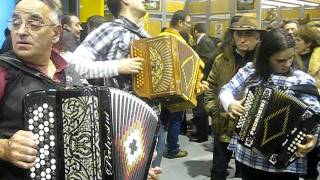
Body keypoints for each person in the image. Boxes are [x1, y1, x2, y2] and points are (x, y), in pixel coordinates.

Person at [219, 28, 320, 179]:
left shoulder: (302, 80)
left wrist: (315, 137)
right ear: (266, 57)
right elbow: (226, 90)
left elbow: (315, 116)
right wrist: (230, 104)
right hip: (249, 157)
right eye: (280, 60)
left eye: (291, 57)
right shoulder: (251, 72)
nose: (287, 64)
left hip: (284, 163)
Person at [0, 0, 68, 179]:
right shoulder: (3, 72)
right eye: (15, 23)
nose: (21, 31)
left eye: (34, 24)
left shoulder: (71, 75)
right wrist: (4, 148)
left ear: (56, 33)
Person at [205, 15, 263, 180]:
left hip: (251, 127)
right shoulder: (221, 59)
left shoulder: (263, 62)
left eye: (248, 35)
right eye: (239, 34)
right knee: (218, 169)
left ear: (258, 38)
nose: (243, 39)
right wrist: (212, 109)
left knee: (246, 171)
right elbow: (211, 86)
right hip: (223, 123)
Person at [160, 10, 192, 159]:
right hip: (176, 87)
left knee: (162, 119)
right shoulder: (178, 40)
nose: (190, 26)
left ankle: (157, 148)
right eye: (188, 23)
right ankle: (173, 149)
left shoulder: (162, 36)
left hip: (161, 85)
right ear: (180, 22)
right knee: (176, 118)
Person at [293, 23, 320, 180]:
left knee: (312, 156)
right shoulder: (291, 58)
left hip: (315, 111)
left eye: (297, 39)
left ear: (308, 43)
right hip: (294, 110)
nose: (294, 42)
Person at [189, 23, 216, 143]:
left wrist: (199, 75)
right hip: (202, 78)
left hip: (203, 79)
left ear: (195, 31)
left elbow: (206, 60)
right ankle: (201, 133)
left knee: (200, 108)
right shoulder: (204, 41)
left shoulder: (204, 41)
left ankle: (202, 135)